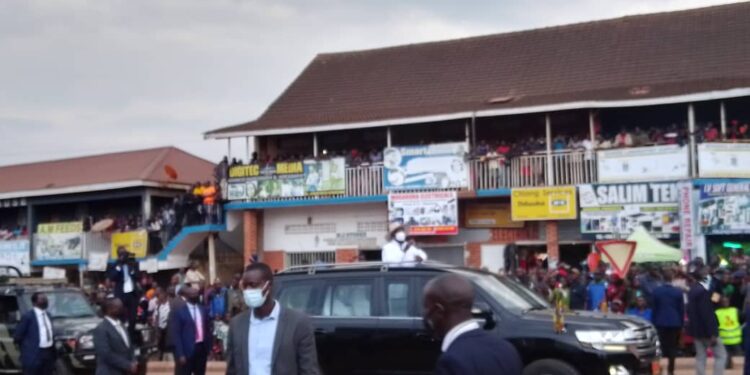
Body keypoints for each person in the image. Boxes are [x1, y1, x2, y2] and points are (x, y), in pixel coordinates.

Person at [225, 262, 320, 375]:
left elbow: (308, 370)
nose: (248, 290)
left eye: (253, 285)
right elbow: (232, 369)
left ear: (269, 286)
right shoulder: (237, 325)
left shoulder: (298, 323)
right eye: (245, 286)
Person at [423, 273, 522, 375]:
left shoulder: (451, 361)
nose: (424, 314)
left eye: (426, 307)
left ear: (439, 311)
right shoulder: (507, 349)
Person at [687, 265, 727, 375]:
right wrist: (712, 333)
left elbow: (714, 302)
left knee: (700, 357)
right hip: (707, 331)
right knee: (721, 355)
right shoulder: (703, 292)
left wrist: (717, 290)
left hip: (696, 330)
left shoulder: (693, 289)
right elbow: (707, 313)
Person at [171, 286, 212, 375]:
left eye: (196, 294)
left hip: (201, 348)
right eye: (192, 294)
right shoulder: (179, 312)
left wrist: (209, 349)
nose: (195, 296)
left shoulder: (203, 310)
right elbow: (177, 335)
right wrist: (180, 354)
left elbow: (208, 330)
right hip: (187, 350)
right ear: (186, 296)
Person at [93, 298, 138, 375]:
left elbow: (129, 347)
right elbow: (105, 354)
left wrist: (134, 361)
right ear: (109, 310)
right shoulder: (101, 329)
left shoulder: (122, 325)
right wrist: (127, 365)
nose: (122, 308)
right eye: (118, 307)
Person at [651, 269, 684, 375]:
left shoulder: (656, 291)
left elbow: (654, 308)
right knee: (672, 347)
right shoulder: (678, 292)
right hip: (674, 322)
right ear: (672, 278)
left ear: (662, 278)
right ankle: (671, 370)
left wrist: (653, 322)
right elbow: (681, 309)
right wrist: (681, 323)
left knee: (658, 346)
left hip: (660, 322)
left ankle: (658, 369)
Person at [13, 292, 55, 375]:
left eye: (45, 298)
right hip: (34, 354)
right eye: (42, 299)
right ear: (34, 302)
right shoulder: (28, 316)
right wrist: (27, 349)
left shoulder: (48, 315)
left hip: (48, 352)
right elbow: (18, 336)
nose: (45, 300)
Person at [107, 247, 140, 340]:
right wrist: (119, 266)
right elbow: (112, 277)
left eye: (125, 253)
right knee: (120, 316)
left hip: (132, 293)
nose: (124, 255)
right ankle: (121, 336)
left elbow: (138, 276)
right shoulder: (114, 265)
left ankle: (131, 336)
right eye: (122, 254)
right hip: (121, 294)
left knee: (133, 318)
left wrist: (133, 268)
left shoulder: (132, 264)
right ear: (118, 255)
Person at [716, 296, 742, 370]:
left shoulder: (735, 310)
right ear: (720, 303)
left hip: (735, 339)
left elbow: (743, 318)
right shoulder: (717, 313)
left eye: (726, 301)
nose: (725, 303)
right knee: (726, 355)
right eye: (723, 302)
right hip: (724, 339)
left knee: (738, 357)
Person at [151, 288, 172, 360]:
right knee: (160, 344)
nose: (159, 297)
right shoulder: (158, 306)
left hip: (168, 328)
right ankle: (160, 357)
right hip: (160, 328)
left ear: (164, 295)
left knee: (168, 344)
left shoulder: (170, 305)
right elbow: (156, 317)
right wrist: (156, 329)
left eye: (160, 295)